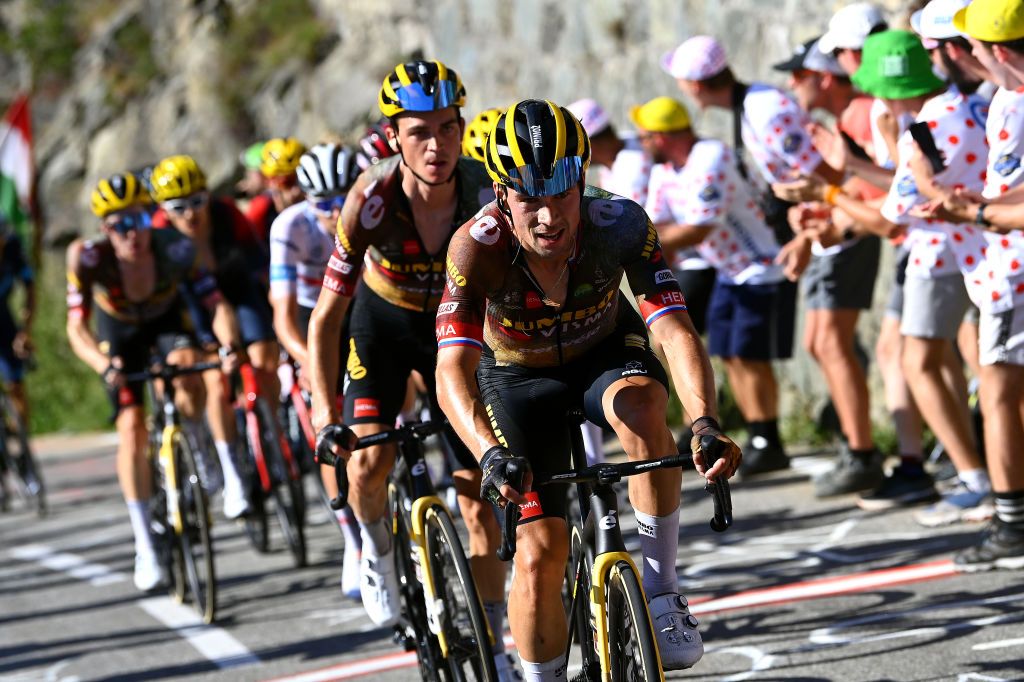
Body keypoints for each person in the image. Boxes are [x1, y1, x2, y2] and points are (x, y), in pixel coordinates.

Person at [433, 99, 742, 678]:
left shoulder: (619, 223)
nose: (548, 217)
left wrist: (703, 420)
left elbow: (673, 329)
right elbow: (451, 368)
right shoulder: (475, 247)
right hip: (516, 378)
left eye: (560, 193)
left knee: (648, 406)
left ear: (583, 182)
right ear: (501, 195)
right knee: (540, 555)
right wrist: (489, 453)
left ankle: (661, 593)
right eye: (529, 198)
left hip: (604, 351)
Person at [308, 60, 517, 678]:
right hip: (383, 325)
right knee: (368, 460)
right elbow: (326, 319)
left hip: (453, 331)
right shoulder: (370, 200)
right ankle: (374, 549)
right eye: (419, 132)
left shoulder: (486, 191)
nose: (437, 146)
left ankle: (494, 643)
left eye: (448, 129)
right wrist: (324, 413)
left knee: (479, 500)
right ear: (393, 136)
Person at [66, 173, 242, 591]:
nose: (133, 234)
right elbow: (76, 328)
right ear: (105, 229)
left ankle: (196, 441)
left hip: (164, 322)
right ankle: (145, 543)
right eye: (120, 225)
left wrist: (229, 343)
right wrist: (102, 365)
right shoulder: (90, 258)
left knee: (188, 366)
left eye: (140, 219)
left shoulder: (176, 248)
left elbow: (214, 303)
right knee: (131, 428)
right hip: (119, 333)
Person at [896, 0, 1024, 569]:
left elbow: (896, 208)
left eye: (971, 47)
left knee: (997, 395)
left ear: (995, 52)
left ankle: (1010, 519)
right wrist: (982, 205)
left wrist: (974, 215)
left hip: (1009, 273)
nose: (967, 57)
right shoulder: (999, 103)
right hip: (997, 266)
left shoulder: (1004, 105)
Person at [635, 96, 799, 477]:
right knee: (729, 354)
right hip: (727, 269)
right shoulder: (665, 169)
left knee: (749, 356)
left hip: (760, 265)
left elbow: (697, 226)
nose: (640, 144)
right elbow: (653, 222)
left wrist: (636, 241)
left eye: (645, 136)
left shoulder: (711, 157)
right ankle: (750, 432)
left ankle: (767, 437)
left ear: (661, 136)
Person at [773, 37, 889, 493]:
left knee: (832, 343)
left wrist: (831, 218)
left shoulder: (860, 112)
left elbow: (874, 189)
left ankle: (861, 451)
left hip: (854, 236)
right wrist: (812, 217)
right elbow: (847, 183)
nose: (791, 84)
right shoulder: (847, 115)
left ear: (825, 76)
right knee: (822, 343)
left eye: (799, 75)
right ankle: (857, 447)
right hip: (843, 231)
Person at [150, 154, 278, 518]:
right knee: (214, 372)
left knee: (265, 353)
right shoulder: (159, 235)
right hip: (191, 301)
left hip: (236, 286)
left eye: (196, 201)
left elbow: (261, 269)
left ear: (208, 195)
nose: (190, 214)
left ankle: (268, 428)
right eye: (179, 207)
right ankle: (231, 471)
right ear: (163, 209)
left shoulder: (227, 215)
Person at [269, 143, 364, 598]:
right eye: (322, 203)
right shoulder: (289, 226)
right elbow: (283, 317)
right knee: (331, 421)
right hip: (313, 316)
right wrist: (310, 363)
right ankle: (353, 541)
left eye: (342, 199)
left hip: (364, 306)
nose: (334, 211)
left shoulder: (370, 211)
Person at [0, 213, 35, 433]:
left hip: (2, 314)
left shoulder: (13, 248)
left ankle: (21, 435)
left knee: (15, 383)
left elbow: (30, 291)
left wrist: (25, 332)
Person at [247, 137, 307, 241]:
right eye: (287, 182)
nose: (296, 190)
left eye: (304, 179)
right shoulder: (263, 213)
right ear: (270, 182)